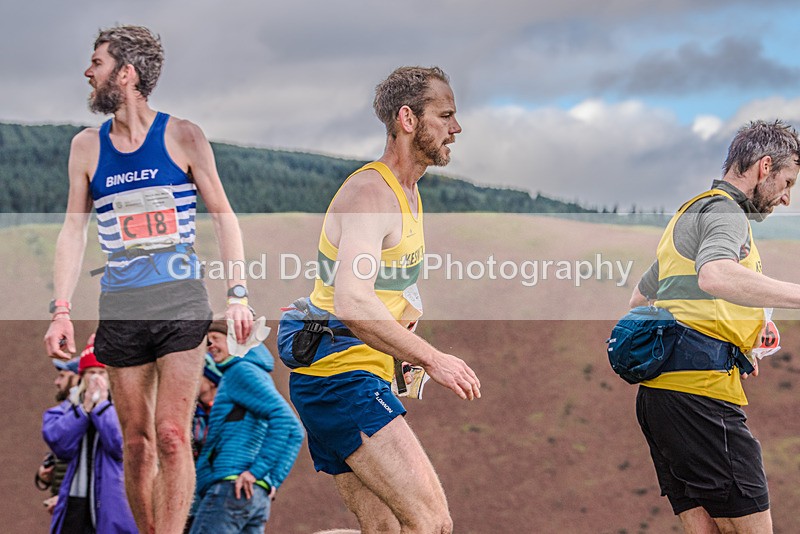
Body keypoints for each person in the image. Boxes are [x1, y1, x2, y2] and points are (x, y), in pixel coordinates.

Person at [42, 25, 253, 533]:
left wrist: (238, 295)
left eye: (97, 62)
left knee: (173, 436)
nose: (88, 72)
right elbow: (74, 228)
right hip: (122, 305)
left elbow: (224, 214)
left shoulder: (183, 135)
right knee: (136, 442)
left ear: (126, 72)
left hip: (181, 300)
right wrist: (62, 309)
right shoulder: (86, 148)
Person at [277, 66, 481, 533]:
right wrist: (433, 359)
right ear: (408, 119)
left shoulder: (409, 193)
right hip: (340, 380)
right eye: (445, 115)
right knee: (431, 524)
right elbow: (352, 302)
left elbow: (384, 294)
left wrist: (399, 355)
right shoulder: (371, 194)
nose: (456, 128)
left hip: (347, 376)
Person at [630, 120, 800, 533]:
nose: (786, 198)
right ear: (765, 167)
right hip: (700, 398)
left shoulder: (690, 214)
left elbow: (639, 300)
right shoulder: (726, 213)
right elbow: (715, 276)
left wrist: (734, 340)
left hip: (661, 399)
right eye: (787, 182)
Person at [191, 319, 304, 533]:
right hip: (254, 496)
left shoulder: (240, 371)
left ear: (237, 340)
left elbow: (289, 423)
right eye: (208, 341)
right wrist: (270, 480)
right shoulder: (254, 372)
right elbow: (294, 431)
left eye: (216, 339)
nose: (210, 346)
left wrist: (258, 472)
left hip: (230, 488)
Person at [42, 337, 137, 533]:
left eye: (102, 372)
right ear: (81, 376)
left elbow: (121, 447)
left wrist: (102, 408)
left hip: (114, 502)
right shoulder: (69, 408)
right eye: (91, 373)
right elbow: (59, 443)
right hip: (77, 501)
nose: (96, 378)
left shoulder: (126, 407)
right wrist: (83, 411)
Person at [36, 356, 82, 514]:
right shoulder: (68, 412)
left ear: (79, 378)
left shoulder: (92, 414)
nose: (57, 382)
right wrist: (47, 474)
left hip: (80, 509)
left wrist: (65, 498)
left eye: (63, 376)